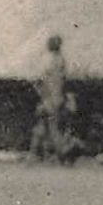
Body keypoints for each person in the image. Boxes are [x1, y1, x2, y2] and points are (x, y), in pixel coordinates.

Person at [30, 35, 73, 163]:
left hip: (50, 98)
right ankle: (35, 153)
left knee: (52, 126)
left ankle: (63, 150)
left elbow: (42, 80)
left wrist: (41, 92)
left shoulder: (51, 61)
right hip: (57, 97)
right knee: (43, 124)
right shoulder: (61, 61)